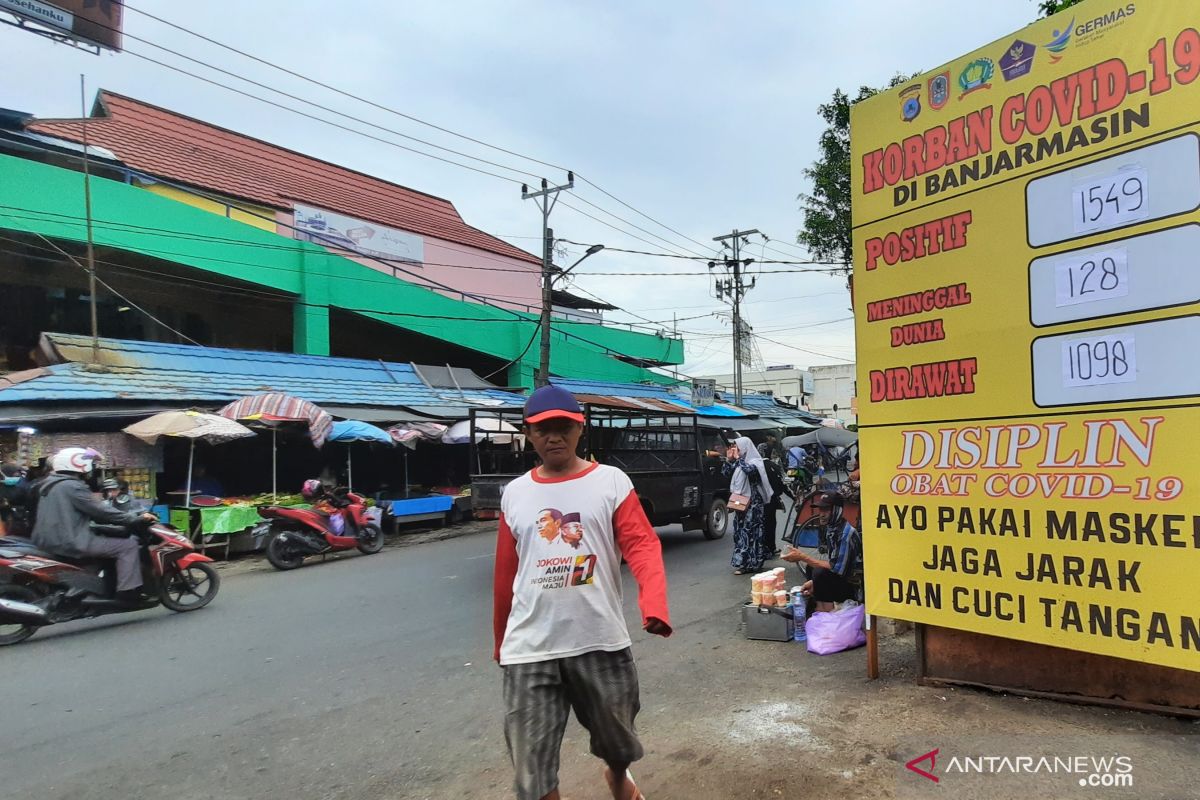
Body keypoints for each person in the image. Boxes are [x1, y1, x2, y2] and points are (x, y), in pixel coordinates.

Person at [493, 385, 671, 800]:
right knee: (530, 769)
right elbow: (506, 573)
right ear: (529, 434)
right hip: (530, 647)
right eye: (543, 429)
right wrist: (500, 640)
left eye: (563, 427)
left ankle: (616, 773)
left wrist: (654, 603)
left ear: (579, 430)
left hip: (599, 639)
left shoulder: (610, 482)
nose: (553, 436)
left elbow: (642, 544)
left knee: (618, 742)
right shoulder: (515, 493)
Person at [31, 447, 158, 608]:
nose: (92, 467)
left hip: (49, 539)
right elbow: (100, 511)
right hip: (71, 540)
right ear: (77, 463)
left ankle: (103, 586)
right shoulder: (72, 486)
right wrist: (134, 519)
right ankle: (127, 593)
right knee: (128, 545)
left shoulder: (49, 484)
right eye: (90, 462)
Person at [781, 491, 862, 612]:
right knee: (811, 568)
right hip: (841, 579)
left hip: (853, 585)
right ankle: (819, 606)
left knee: (819, 573)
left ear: (837, 510)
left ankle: (826, 612)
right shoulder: (831, 528)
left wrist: (802, 556)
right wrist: (813, 582)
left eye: (826, 510)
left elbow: (837, 569)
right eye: (821, 510)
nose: (822, 514)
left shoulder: (846, 534)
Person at [722, 436, 773, 575]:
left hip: (753, 504)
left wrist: (738, 459)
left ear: (744, 448)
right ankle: (743, 562)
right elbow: (726, 473)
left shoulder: (755, 462)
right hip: (741, 502)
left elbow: (750, 472)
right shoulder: (740, 463)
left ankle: (752, 563)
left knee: (751, 533)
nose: (735, 450)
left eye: (737, 447)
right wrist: (729, 459)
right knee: (740, 532)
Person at [761, 456, 791, 558]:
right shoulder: (772, 466)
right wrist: (793, 497)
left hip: (757, 501)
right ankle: (771, 548)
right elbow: (783, 483)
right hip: (771, 500)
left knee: (762, 524)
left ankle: (762, 548)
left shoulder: (753, 466)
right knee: (770, 523)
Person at [0, 461, 31, 536]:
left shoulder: (23, 488)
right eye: (14, 475)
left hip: (18, 527)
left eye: (17, 475)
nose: (16, 477)